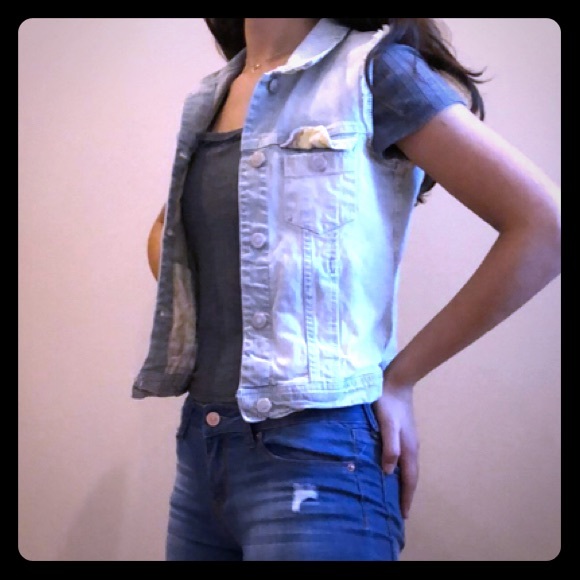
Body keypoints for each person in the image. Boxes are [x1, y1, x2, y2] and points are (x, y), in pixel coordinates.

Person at [133, 18, 561, 561]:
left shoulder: (375, 70)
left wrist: (400, 380)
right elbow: (170, 236)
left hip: (323, 452)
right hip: (203, 447)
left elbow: (543, 226)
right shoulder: (212, 95)